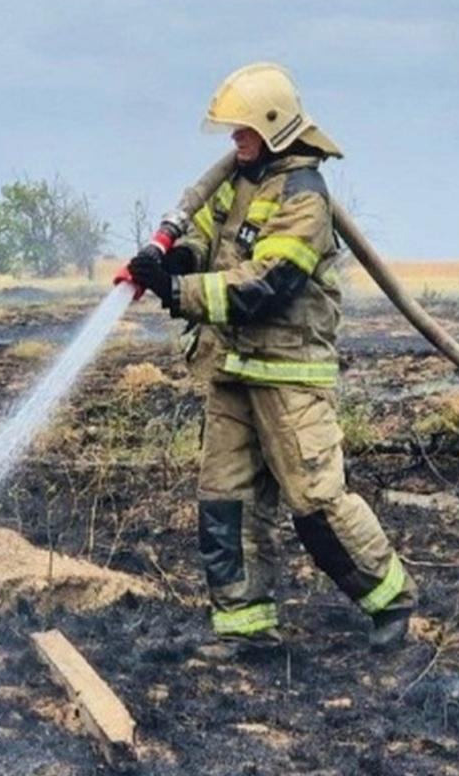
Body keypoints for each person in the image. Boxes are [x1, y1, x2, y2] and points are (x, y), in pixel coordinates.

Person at [126, 62, 417, 655]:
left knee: (315, 502)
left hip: (289, 375)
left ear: (274, 127)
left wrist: (177, 292)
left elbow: (266, 282)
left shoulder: (304, 196)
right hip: (233, 370)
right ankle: (246, 626)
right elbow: (204, 235)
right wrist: (176, 259)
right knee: (224, 503)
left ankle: (390, 599)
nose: (235, 142)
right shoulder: (236, 182)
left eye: (243, 132)